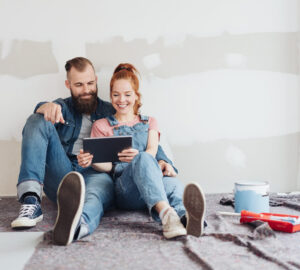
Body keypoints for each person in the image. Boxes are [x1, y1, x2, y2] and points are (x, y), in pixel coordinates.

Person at [11, 57, 175, 245]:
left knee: (95, 196)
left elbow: (142, 134)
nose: (86, 89)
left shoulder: (112, 109)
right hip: (63, 173)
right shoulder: (62, 107)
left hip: (97, 173)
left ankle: (78, 225)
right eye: (79, 85)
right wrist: (43, 106)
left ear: (96, 80)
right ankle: (31, 201)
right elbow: (42, 113)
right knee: (36, 119)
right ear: (68, 84)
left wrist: (163, 161)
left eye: (90, 83)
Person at [79, 63, 206, 239]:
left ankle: (186, 218)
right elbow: (107, 167)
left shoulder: (150, 122)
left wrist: (151, 161)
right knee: (143, 158)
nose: (121, 100)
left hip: (152, 180)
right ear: (110, 96)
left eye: (127, 94)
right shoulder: (101, 126)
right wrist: (92, 159)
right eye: (116, 95)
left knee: (174, 184)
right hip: (126, 188)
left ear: (137, 96)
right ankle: (166, 216)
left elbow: (152, 151)